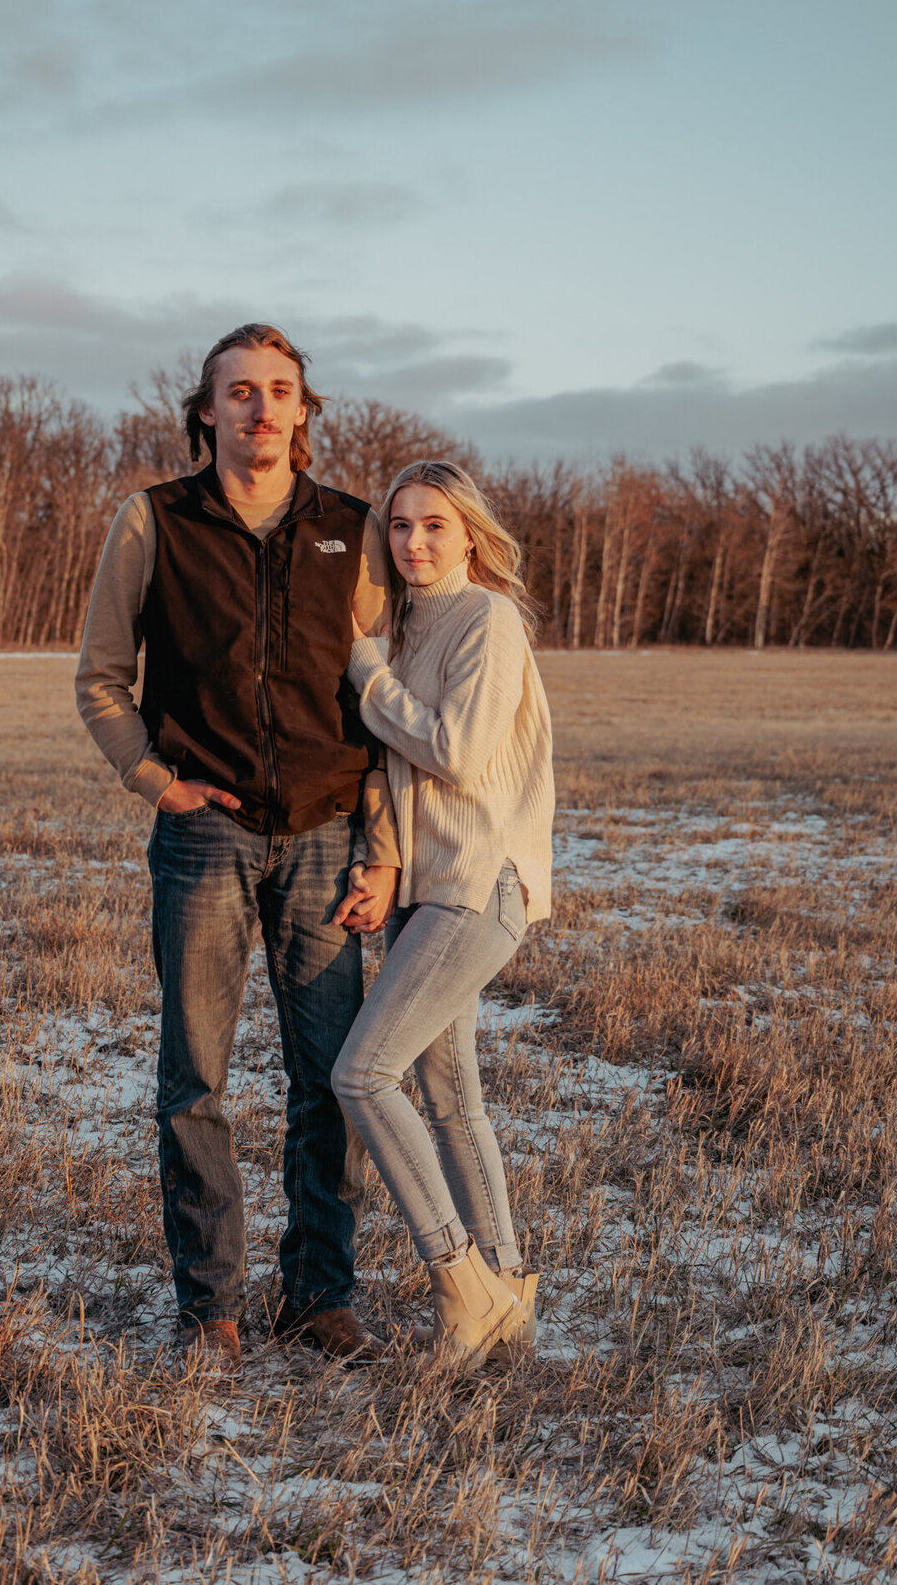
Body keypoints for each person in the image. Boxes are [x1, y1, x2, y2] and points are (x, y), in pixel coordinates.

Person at [76, 324, 401, 1376]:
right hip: (203, 833)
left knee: (333, 1078)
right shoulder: (154, 521)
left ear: (306, 411)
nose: (262, 408)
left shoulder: (352, 531)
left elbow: (385, 706)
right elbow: (100, 677)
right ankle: (210, 1303)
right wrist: (154, 780)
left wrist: (383, 848)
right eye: (240, 391)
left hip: (322, 833)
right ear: (205, 410)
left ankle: (318, 1296)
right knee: (195, 1077)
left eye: (281, 391)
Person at [331, 459, 554, 1368]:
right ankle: (509, 1293)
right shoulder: (410, 624)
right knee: (453, 1098)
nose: (414, 542)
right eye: (400, 526)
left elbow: (456, 751)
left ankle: (462, 1284)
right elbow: (392, 771)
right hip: (427, 890)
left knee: (363, 1074)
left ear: (469, 533)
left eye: (434, 525)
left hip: (476, 884)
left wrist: (365, 670)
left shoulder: (486, 619)